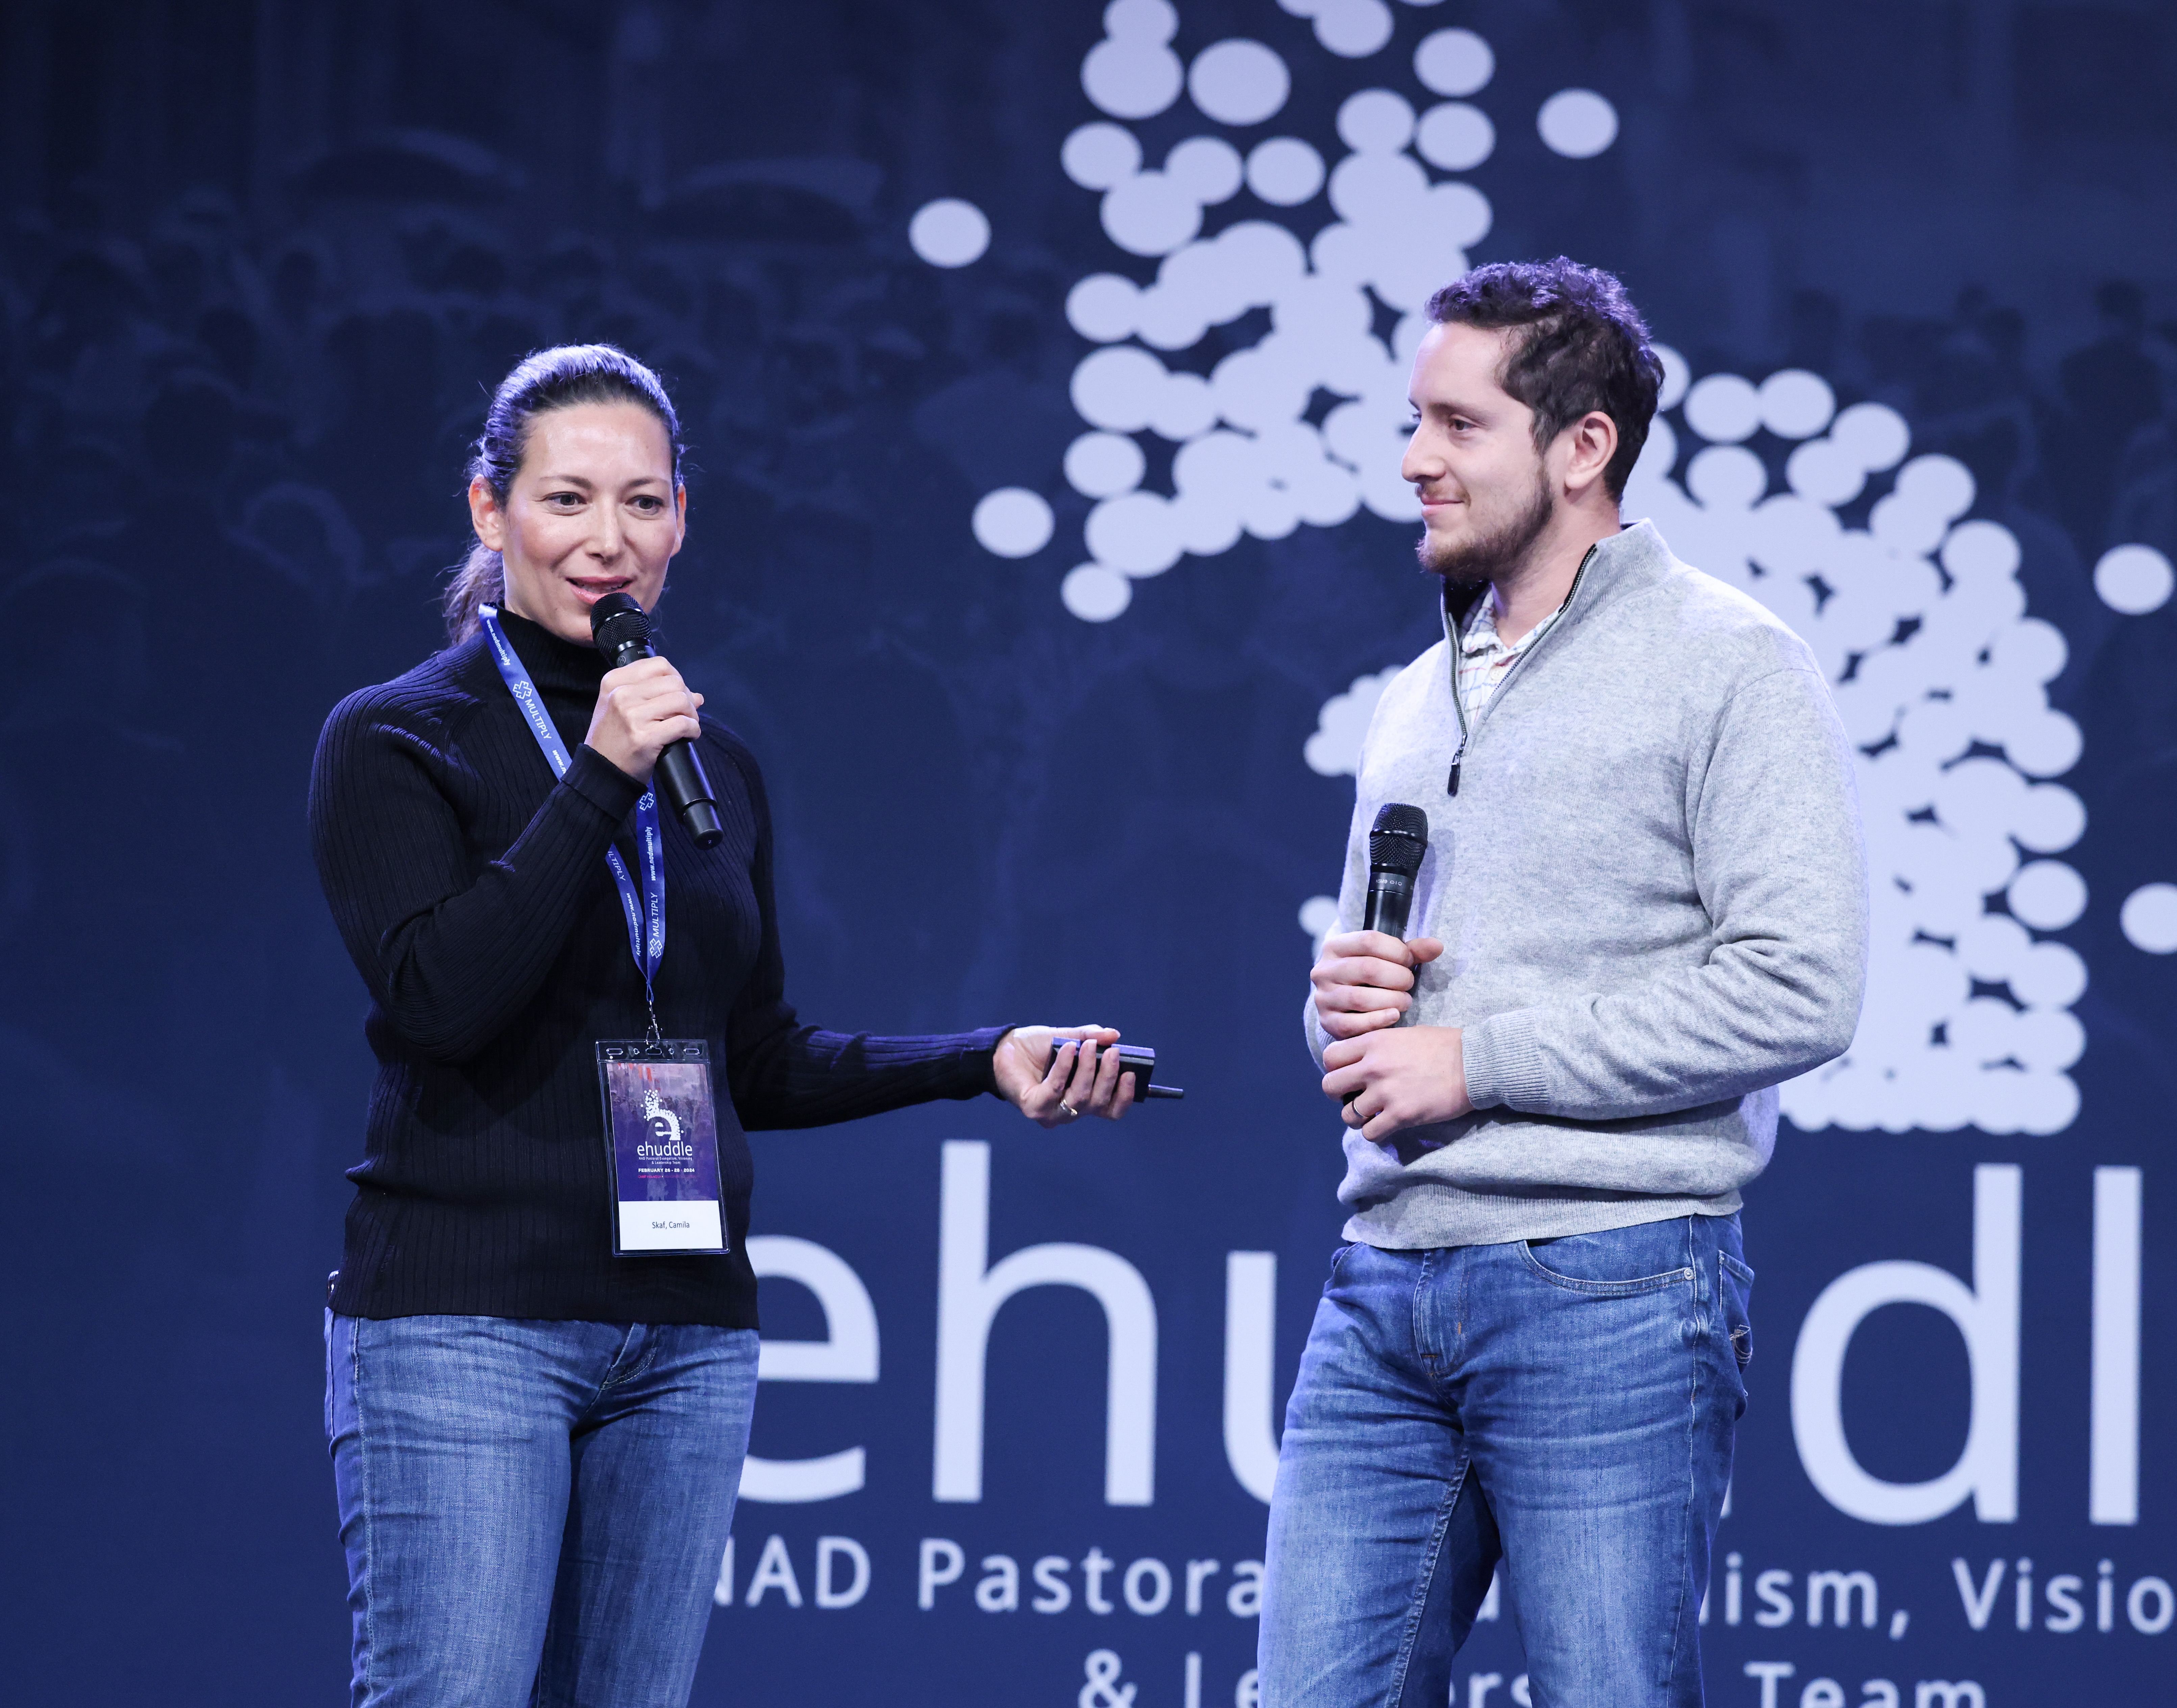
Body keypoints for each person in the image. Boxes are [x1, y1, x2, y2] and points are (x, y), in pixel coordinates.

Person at [308, 343, 1134, 1708]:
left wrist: (980, 1061)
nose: (607, 541)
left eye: (642, 504)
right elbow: (441, 995)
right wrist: (598, 778)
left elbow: (753, 1058)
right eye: (567, 501)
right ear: (488, 508)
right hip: (468, 1324)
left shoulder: (716, 764)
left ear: (681, 520)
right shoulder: (401, 740)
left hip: (683, 1334)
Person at [1259, 260, 1867, 1706]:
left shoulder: (1729, 663)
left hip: (1612, 1282)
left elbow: (1802, 990)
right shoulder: (1425, 685)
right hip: (1384, 1281)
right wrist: (1343, 1003)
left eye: (1459, 425)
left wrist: (1477, 1060)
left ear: (1583, 445)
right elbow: (1380, 995)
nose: (1416, 459)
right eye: (1416, 419)